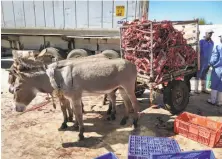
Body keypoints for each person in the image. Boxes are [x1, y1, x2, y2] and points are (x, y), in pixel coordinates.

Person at [206, 35, 222, 106]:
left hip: (218, 69)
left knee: (214, 84)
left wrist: (210, 64)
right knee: (221, 85)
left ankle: (213, 101)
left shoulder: (218, 47)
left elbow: (214, 59)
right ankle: (220, 102)